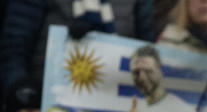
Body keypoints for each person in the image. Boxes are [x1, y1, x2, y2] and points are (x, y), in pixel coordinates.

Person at [0, 0, 153, 92]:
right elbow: (14, 47)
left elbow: (149, 48)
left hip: (116, 104)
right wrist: (23, 97)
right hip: (49, 105)